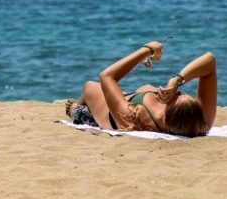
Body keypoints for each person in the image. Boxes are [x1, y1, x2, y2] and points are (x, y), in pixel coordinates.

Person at [64, 41, 217, 138]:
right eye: (182, 93)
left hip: (113, 115)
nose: (176, 92)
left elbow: (106, 76)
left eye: (176, 96)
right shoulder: (200, 122)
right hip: (131, 98)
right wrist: (178, 80)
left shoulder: (136, 118)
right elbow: (210, 61)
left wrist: (148, 50)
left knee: (90, 87)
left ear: (167, 113)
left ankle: (80, 113)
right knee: (143, 88)